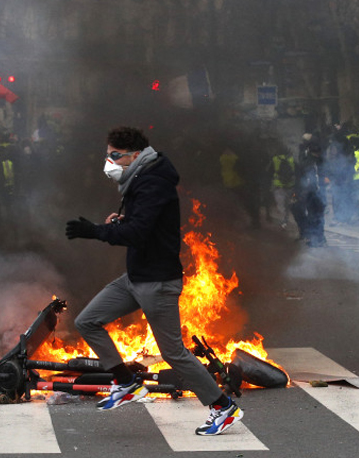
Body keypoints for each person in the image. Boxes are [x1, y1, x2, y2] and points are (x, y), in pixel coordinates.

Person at [65, 126, 243, 436]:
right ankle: (126, 383)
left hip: (157, 282)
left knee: (174, 353)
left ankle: (223, 407)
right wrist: (119, 223)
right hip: (137, 278)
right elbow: (143, 225)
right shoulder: (140, 179)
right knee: (88, 321)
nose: (109, 162)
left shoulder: (153, 183)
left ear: (135, 155)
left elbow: (138, 233)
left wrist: (96, 231)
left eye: (115, 155)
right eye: (108, 155)